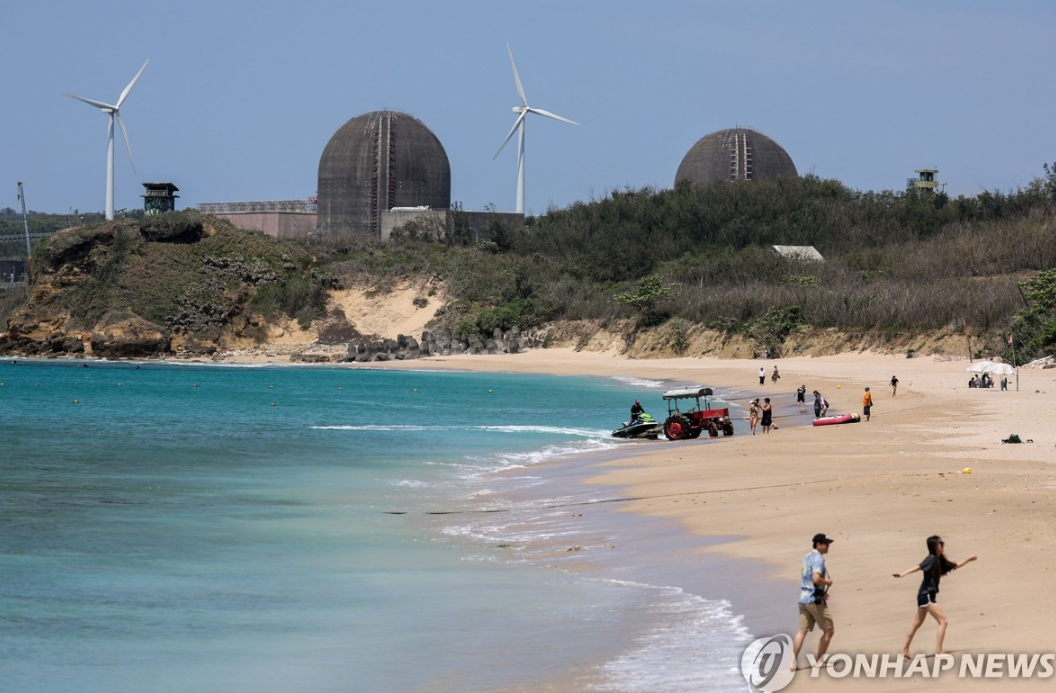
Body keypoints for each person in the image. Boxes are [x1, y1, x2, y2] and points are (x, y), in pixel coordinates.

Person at [893, 536, 977, 657]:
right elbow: (919, 566)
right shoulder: (931, 559)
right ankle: (938, 652)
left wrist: (968, 560)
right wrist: (903, 573)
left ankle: (904, 651)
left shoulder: (939, 560)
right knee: (943, 621)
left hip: (923, 595)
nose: (943, 545)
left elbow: (955, 566)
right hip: (927, 595)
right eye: (940, 544)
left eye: (942, 543)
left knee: (916, 624)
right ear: (934, 547)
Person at [791, 533, 836, 670]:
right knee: (829, 630)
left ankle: (792, 663)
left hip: (803, 598)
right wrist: (827, 582)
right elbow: (816, 578)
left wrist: (822, 592)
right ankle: (819, 661)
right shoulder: (818, 559)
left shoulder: (807, 557)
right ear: (818, 545)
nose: (828, 546)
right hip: (814, 601)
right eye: (826, 544)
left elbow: (808, 578)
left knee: (802, 631)